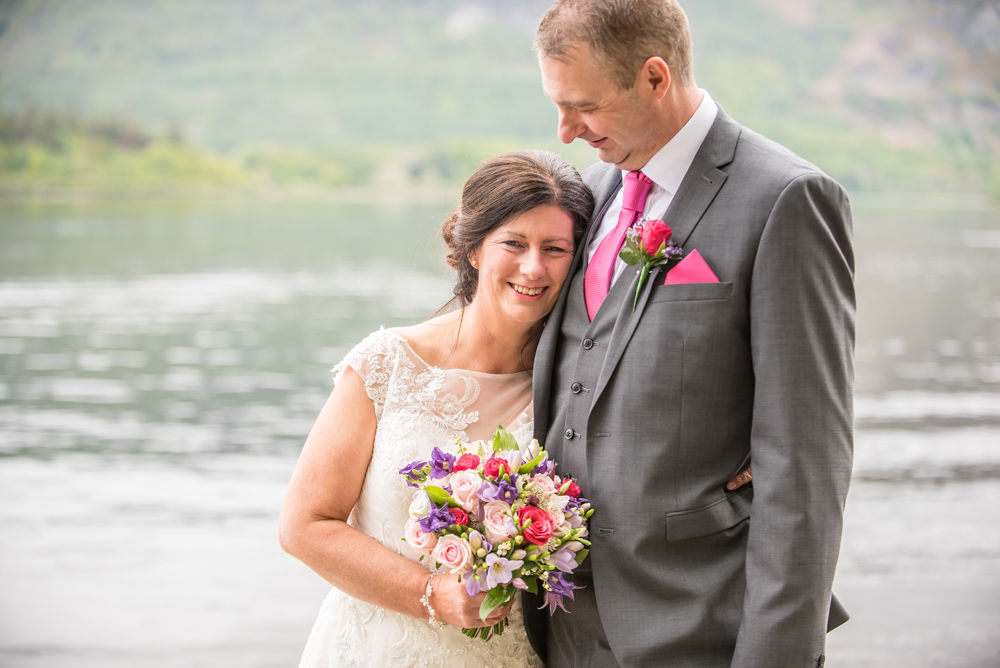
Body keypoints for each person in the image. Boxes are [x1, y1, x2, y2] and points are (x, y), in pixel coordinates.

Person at [523, 1, 855, 667]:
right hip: (564, 630)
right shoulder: (590, 191)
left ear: (655, 77)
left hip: (701, 624)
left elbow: (806, 461)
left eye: (584, 106)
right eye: (557, 105)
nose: (565, 131)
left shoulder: (786, 198)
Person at [278, 150, 593, 667]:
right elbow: (305, 526)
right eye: (513, 243)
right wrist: (431, 594)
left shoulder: (578, 384)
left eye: (554, 249)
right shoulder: (388, 363)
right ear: (473, 249)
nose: (533, 267)